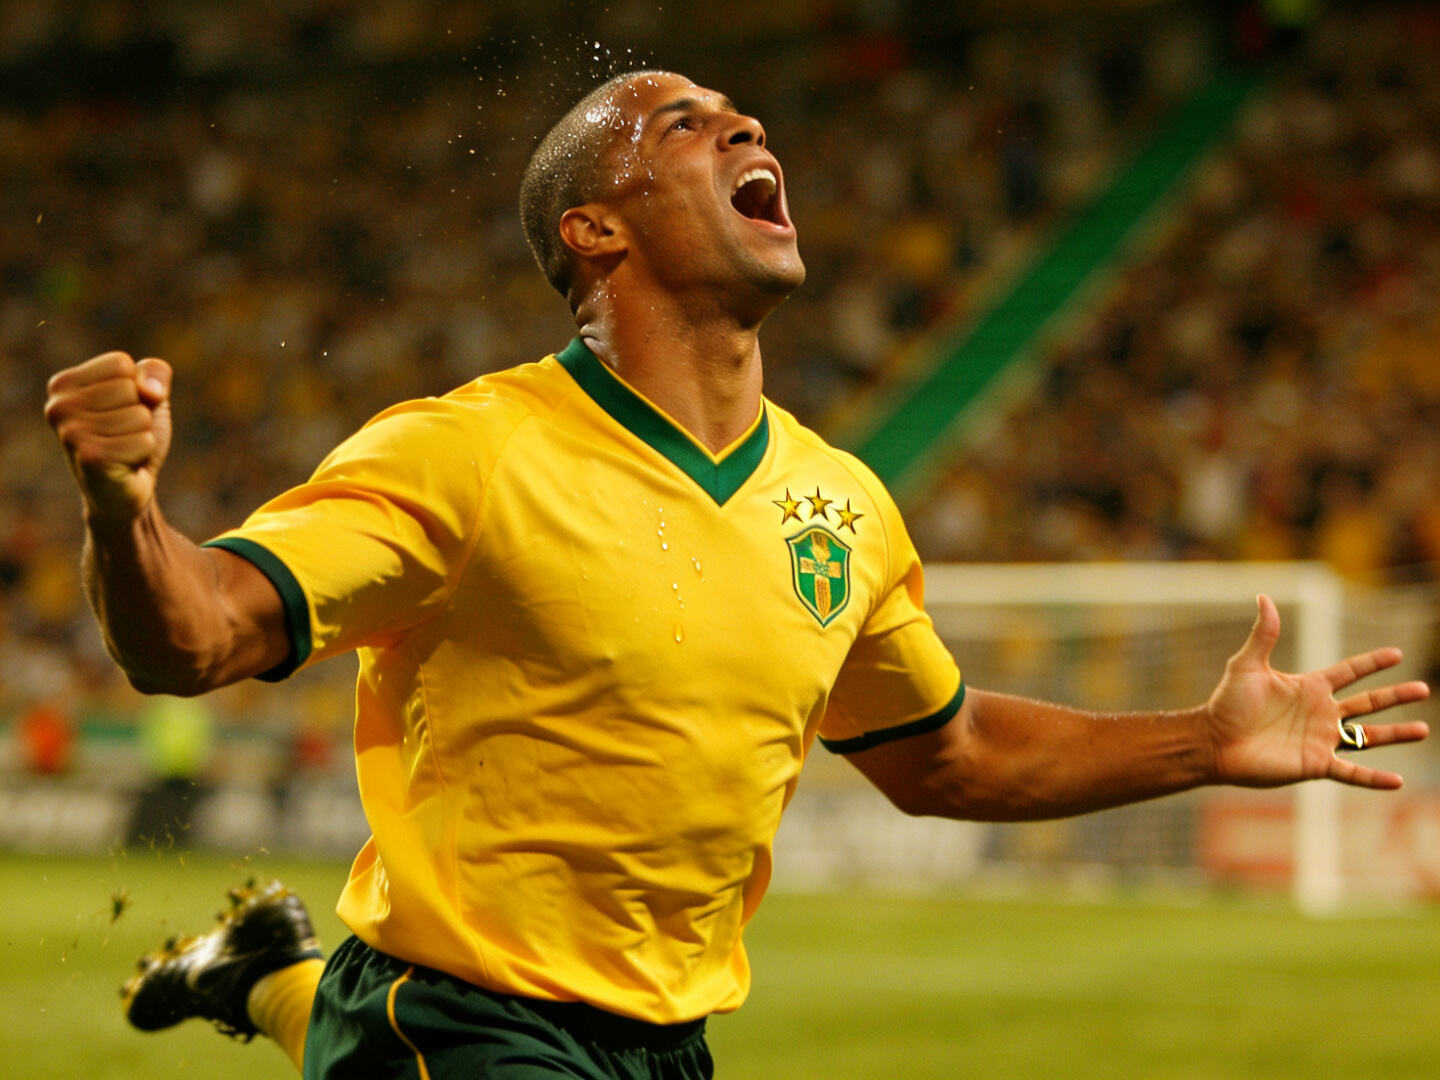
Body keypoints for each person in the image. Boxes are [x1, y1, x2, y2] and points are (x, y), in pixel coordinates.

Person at [44, 70, 1429, 1080]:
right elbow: (197, 637)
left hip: (668, 1041)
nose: (746, 126)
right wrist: (123, 507)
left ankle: (271, 976)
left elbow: (948, 756)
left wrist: (1204, 742)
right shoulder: (466, 453)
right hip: (458, 1017)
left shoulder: (843, 504)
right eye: (682, 124)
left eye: (742, 119)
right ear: (596, 230)